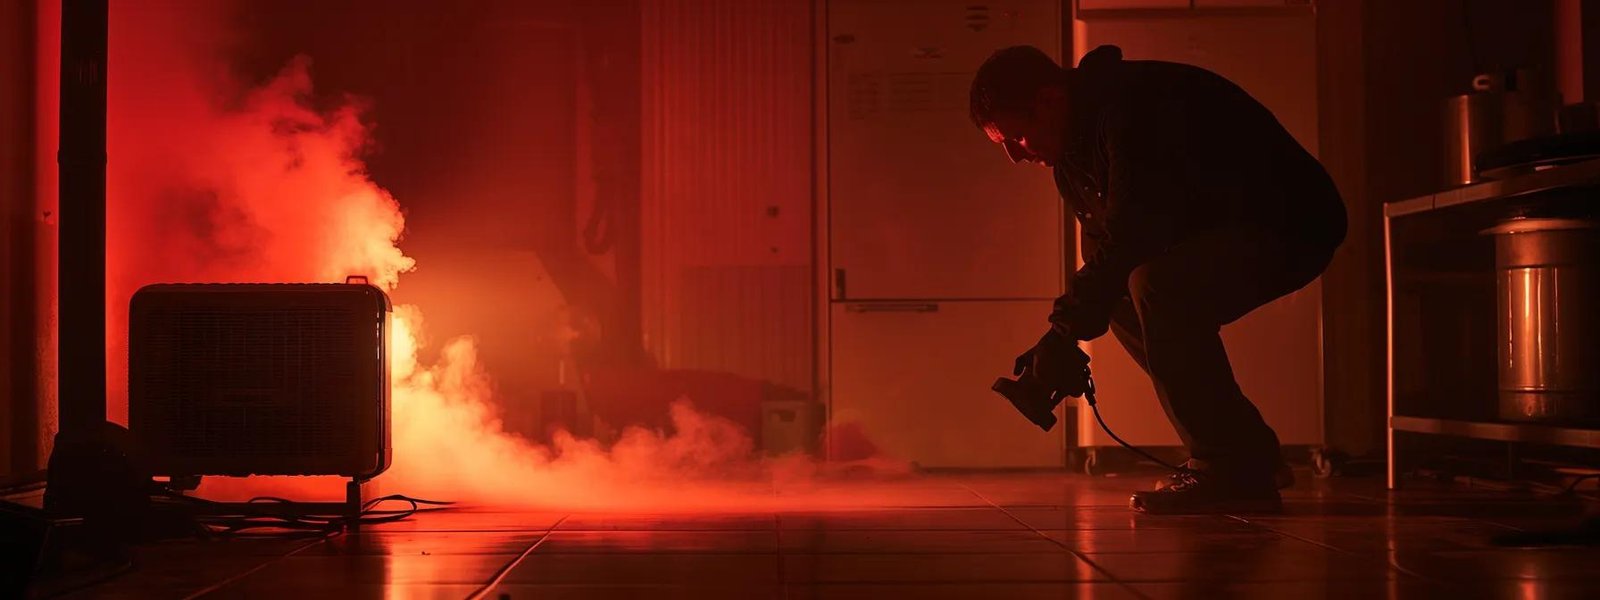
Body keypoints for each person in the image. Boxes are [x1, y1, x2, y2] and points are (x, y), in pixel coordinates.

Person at [969, 44, 1346, 514]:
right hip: (1227, 225)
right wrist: (1063, 336)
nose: (1015, 157)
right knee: (1131, 295)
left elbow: (1133, 233)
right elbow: (1105, 252)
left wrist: (1064, 332)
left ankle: (1227, 466)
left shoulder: (1132, 107)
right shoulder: (1071, 159)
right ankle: (1249, 454)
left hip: (1291, 220)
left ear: (1048, 100)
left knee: (1159, 287)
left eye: (1017, 137)